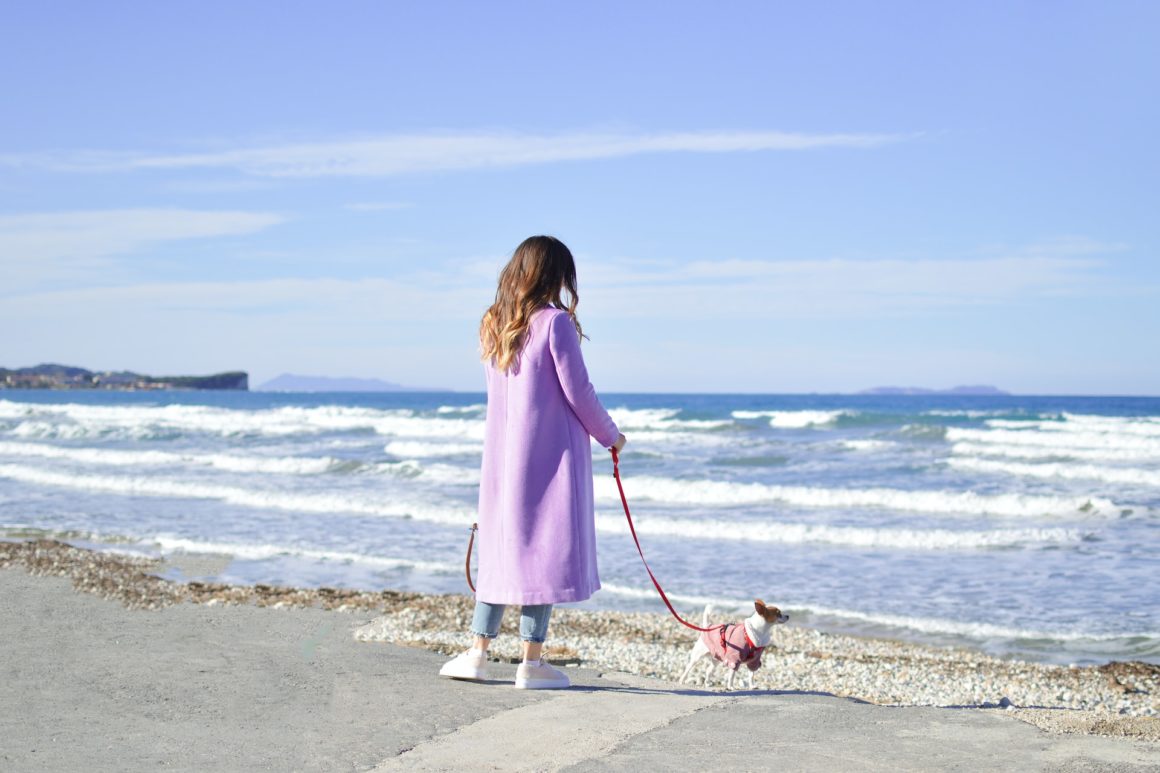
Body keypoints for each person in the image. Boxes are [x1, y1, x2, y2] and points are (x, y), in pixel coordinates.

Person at [439, 235, 627, 689]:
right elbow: (579, 393)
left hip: (503, 459)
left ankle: (477, 653)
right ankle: (532, 661)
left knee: (503, 553)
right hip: (549, 458)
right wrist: (612, 436)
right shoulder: (555, 324)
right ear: (554, 274)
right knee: (541, 553)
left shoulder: (492, 323)